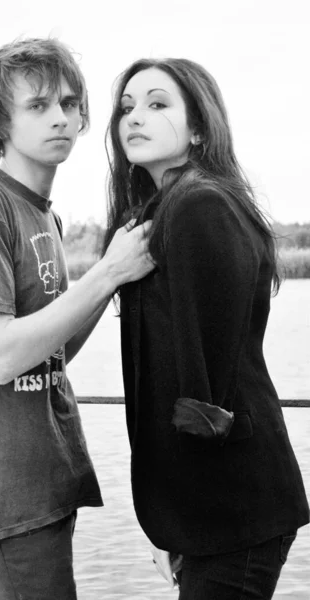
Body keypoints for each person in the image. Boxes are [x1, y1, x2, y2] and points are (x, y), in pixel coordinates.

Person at [0, 37, 154, 600]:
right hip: (9, 497)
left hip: (45, 484)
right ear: (1, 123)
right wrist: (106, 273)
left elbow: (50, 349)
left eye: (69, 104)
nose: (61, 118)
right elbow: (3, 357)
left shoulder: (43, 215)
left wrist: (114, 275)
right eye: (38, 106)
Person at [103, 57, 309, 599]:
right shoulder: (168, 209)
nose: (135, 117)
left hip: (231, 509)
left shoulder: (199, 207)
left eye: (157, 103)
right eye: (127, 107)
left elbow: (205, 393)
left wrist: (180, 523)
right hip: (215, 509)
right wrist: (172, 525)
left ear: (198, 128)